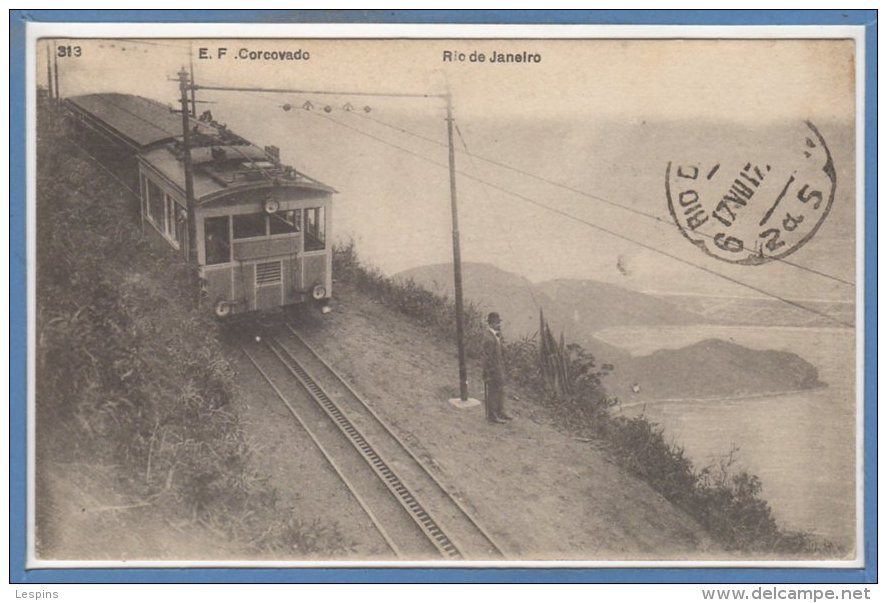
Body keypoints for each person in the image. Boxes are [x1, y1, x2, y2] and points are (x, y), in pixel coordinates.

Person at [482, 312, 513, 424]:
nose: (499, 324)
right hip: (493, 368)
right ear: (492, 323)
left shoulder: (496, 335)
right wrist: (488, 372)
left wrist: (501, 338)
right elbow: (487, 358)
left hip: (499, 366)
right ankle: (493, 415)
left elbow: (502, 350)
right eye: (497, 322)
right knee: (494, 391)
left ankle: (500, 411)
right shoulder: (489, 338)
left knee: (500, 389)